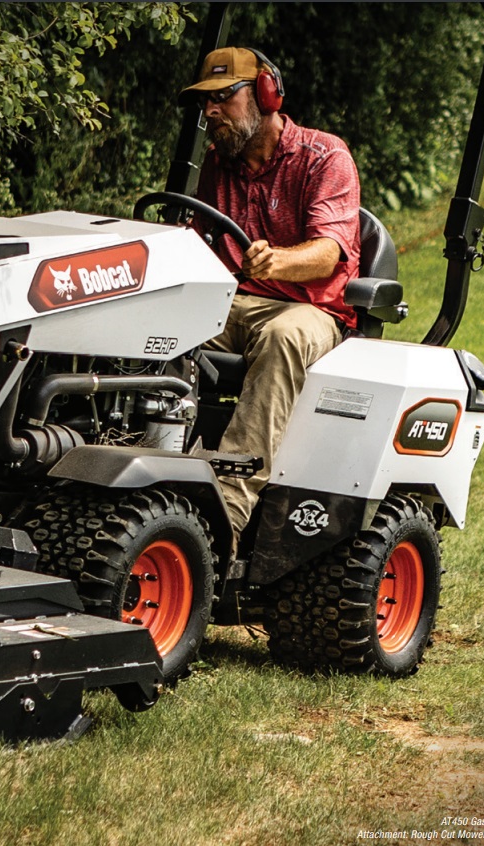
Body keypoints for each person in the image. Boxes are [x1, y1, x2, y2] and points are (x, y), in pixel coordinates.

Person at [178, 46, 361, 554]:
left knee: (284, 337)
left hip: (309, 311)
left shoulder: (325, 156)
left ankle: (224, 520)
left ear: (266, 94)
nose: (210, 111)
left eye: (222, 98)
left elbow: (328, 252)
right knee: (154, 324)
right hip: (233, 301)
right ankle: (150, 466)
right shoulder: (219, 164)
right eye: (205, 102)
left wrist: (276, 261)